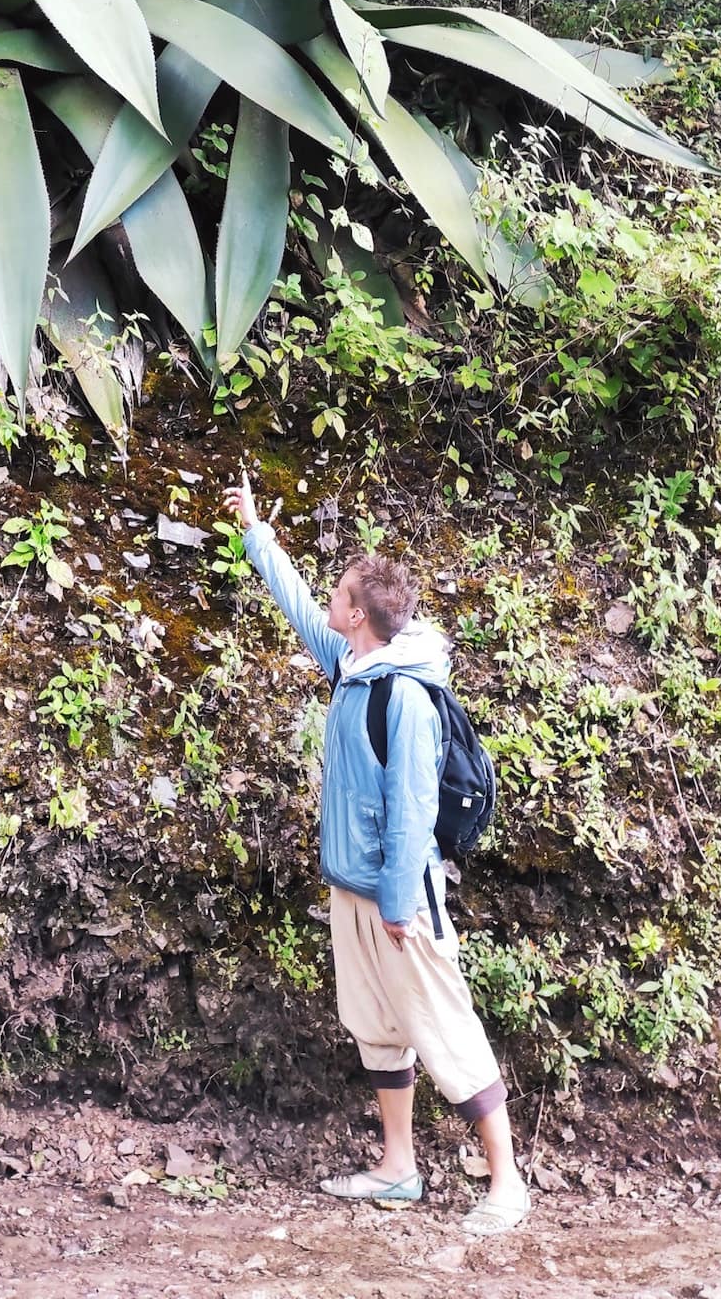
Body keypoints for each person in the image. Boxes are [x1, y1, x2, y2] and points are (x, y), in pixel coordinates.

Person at [224, 471, 531, 1237]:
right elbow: (298, 606)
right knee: (377, 1027)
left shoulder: (406, 697)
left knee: (446, 1028)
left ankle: (508, 1183)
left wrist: (397, 903)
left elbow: (412, 814)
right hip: (353, 888)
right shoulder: (354, 667)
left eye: (339, 592)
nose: (328, 597)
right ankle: (399, 1168)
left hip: (400, 897)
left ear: (357, 614)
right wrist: (257, 532)